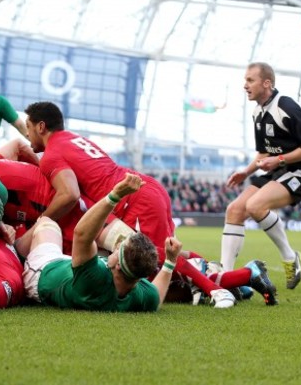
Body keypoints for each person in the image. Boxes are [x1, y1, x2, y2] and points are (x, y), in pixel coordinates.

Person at [24, 101, 236, 308]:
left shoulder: (51, 154)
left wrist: (42, 220)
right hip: (143, 187)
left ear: (41, 127)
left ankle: (217, 289)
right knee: (160, 254)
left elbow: (69, 194)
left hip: (130, 198)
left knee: (148, 258)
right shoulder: (73, 139)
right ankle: (233, 278)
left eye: (28, 127)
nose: (26, 134)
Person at [220, 62, 301, 289]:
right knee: (234, 210)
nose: (245, 85)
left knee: (255, 206)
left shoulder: (286, 106)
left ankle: (289, 257)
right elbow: (264, 152)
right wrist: (246, 171)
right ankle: (225, 280)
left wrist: (279, 160)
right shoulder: (258, 112)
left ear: (267, 83)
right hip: (277, 170)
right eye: (245, 80)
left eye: (250, 80)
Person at [20, 174, 180, 312]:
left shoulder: (94, 280)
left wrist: (115, 196)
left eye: (119, 248)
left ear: (118, 265)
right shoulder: (137, 292)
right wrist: (170, 262)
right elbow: (156, 297)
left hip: (42, 271)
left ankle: (13, 252)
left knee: (46, 222)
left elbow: (82, 234)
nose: (116, 247)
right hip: (69, 273)